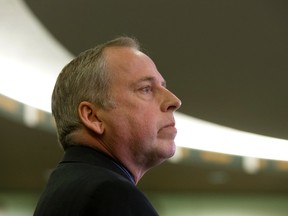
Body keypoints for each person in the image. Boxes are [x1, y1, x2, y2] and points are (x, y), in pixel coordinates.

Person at [34, 36, 181, 216]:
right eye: (146, 89)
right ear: (93, 117)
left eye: (163, 86)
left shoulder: (69, 186)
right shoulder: (110, 194)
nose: (174, 101)